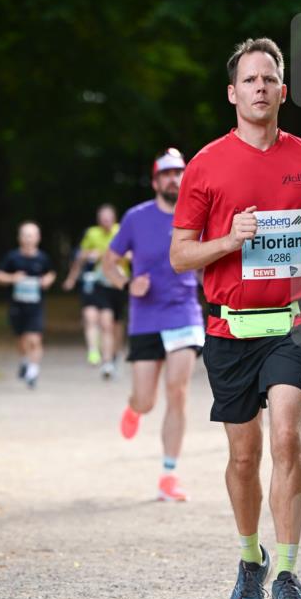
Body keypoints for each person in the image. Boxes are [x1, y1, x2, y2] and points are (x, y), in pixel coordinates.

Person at [170, 37, 301, 599]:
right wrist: (230, 240)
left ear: (283, 90)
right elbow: (180, 255)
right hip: (229, 328)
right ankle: (253, 559)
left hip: (294, 323)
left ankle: (290, 577)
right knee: (244, 458)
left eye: (269, 80)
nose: (259, 89)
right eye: (249, 81)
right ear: (232, 93)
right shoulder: (205, 164)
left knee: (287, 438)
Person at [102, 148, 204, 502]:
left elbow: (209, 261)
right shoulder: (135, 218)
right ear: (155, 181)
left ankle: (168, 474)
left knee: (178, 391)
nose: (174, 178)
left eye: (179, 172)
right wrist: (127, 284)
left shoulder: (198, 216)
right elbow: (109, 263)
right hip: (145, 317)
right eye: (167, 173)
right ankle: (135, 409)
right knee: (146, 400)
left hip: (184, 314)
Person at [62, 204, 127, 377]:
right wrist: (72, 278)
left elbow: (133, 254)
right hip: (99, 282)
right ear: (99, 219)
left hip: (119, 283)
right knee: (101, 320)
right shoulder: (92, 233)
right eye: (102, 217)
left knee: (116, 324)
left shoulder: (122, 231)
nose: (105, 220)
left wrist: (114, 257)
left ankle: (115, 354)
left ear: (114, 218)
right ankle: (101, 356)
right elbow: (80, 257)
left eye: (108, 217)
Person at [0, 221, 56, 388]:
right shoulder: (12, 257)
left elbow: (51, 274)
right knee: (21, 340)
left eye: (31, 235)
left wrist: (46, 281)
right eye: (25, 235)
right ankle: (25, 360)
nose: (28, 239)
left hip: (36, 306)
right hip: (17, 305)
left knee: (34, 339)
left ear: (38, 238)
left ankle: (33, 372)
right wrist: (12, 278)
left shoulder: (43, 258)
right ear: (19, 238)